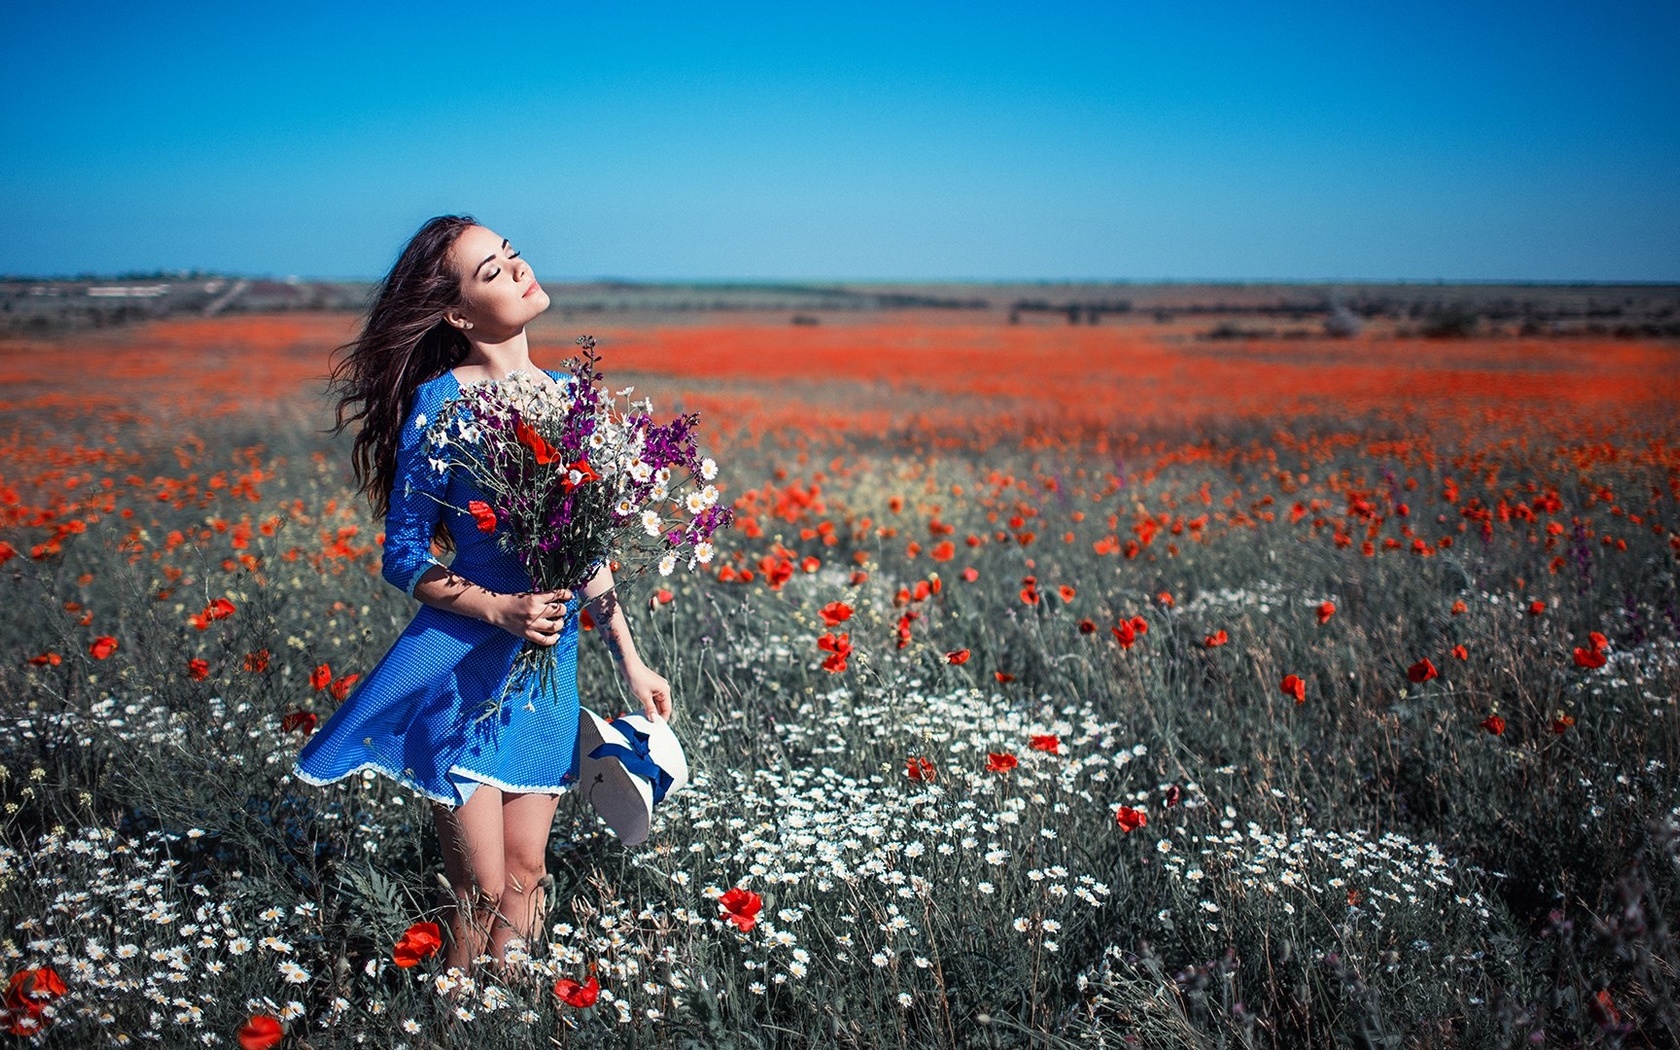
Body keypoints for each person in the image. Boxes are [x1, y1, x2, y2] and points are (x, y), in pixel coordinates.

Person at [291, 215, 673, 978]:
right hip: (462, 662)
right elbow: (403, 558)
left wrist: (630, 661)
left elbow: (586, 550)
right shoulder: (442, 404)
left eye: (512, 255)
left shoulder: (572, 400)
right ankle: (455, 1012)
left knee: (528, 871)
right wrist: (498, 609)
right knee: (479, 884)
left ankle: (508, 1006)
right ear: (459, 315)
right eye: (491, 271)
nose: (518, 269)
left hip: (549, 664)